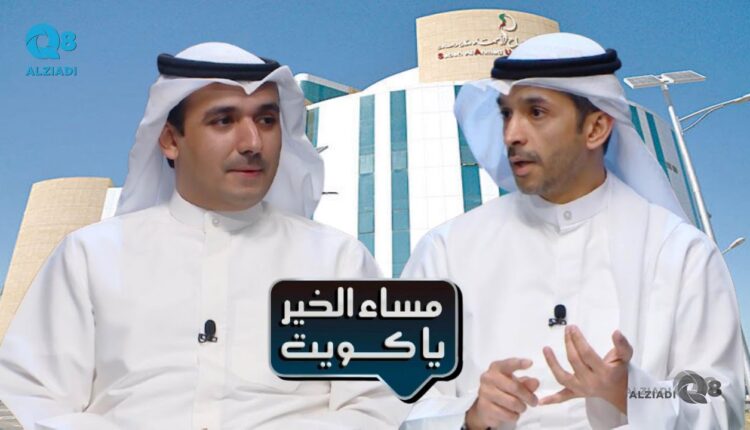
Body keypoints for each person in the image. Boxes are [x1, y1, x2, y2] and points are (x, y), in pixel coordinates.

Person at [0, 42, 408, 429]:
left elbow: (378, 403)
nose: (252, 143)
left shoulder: (337, 260)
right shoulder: (91, 255)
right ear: (170, 140)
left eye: (266, 121)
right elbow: (36, 395)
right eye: (224, 121)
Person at [400, 33, 744, 429]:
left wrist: (631, 392)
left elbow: (721, 399)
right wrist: (468, 416)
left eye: (536, 113)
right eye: (506, 114)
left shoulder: (680, 252)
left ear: (596, 128)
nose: (511, 135)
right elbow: (397, 401)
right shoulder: (446, 250)